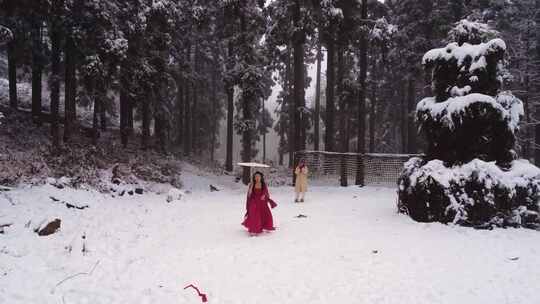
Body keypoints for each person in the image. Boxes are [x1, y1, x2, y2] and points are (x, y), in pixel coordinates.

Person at [242, 171, 277, 236]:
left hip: (262, 201)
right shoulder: (252, 184)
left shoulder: (263, 184)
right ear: (254, 178)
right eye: (256, 176)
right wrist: (251, 187)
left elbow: (266, 192)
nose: (257, 178)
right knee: (254, 213)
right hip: (254, 200)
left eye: (258, 176)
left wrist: (264, 195)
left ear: (261, 177)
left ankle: (264, 226)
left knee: (265, 213)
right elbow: (249, 195)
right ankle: (254, 229)